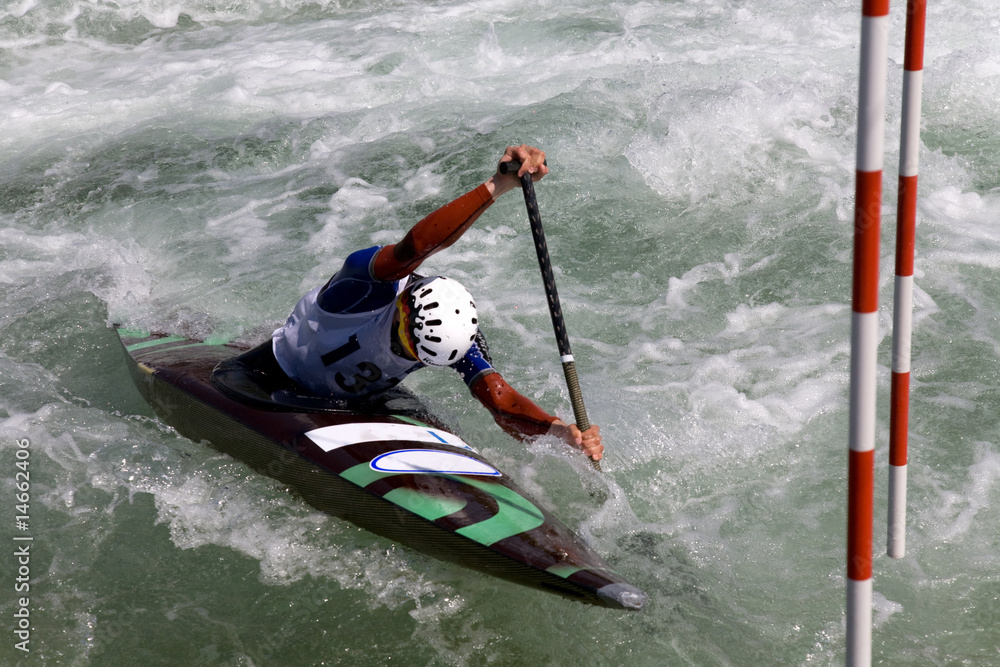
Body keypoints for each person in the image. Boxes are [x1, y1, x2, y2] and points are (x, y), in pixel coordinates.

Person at [271, 145, 603, 462]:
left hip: (359, 401)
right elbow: (414, 247)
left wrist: (559, 432)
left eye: (417, 356)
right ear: (403, 309)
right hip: (279, 373)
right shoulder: (366, 287)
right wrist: (498, 184)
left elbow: (501, 401)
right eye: (404, 344)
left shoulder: (451, 337)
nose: (402, 354)